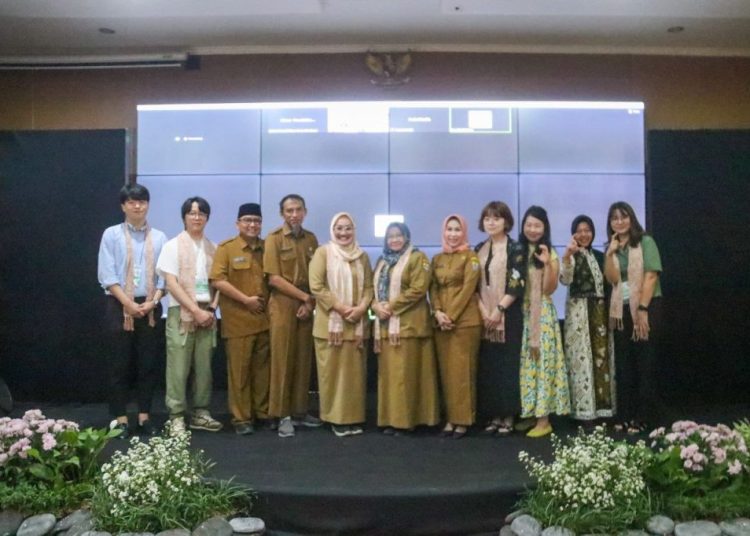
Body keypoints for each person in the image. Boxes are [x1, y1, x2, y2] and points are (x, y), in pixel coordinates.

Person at [97, 183, 167, 438]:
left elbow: (165, 277)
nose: (137, 206)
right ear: (123, 206)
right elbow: (107, 274)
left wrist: (153, 301)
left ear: (148, 205)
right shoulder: (111, 234)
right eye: (132, 202)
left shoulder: (159, 237)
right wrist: (128, 303)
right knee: (119, 366)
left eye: (142, 201)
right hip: (119, 306)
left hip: (149, 307)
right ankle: (120, 419)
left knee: (147, 365)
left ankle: (145, 417)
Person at [156, 196, 222, 433]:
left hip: (208, 313)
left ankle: (201, 412)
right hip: (181, 312)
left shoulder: (214, 248)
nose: (197, 217)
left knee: (204, 367)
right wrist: (194, 310)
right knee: (178, 367)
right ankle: (176, 416)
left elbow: (219, 283)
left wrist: (211, 309)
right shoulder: (172, 246)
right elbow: (171, 284)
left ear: (207, 218)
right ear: (184, 217)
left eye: (201, 213)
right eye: (192, 213)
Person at [309, 213, 373, 437]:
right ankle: (335, 419)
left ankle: (354, 418)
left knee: (354, 378)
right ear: (332, 230)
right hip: (330, 326)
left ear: (354, 230)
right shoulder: (323, 252)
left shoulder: (362, 256)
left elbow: (369, 287)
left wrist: (361, 308)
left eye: (348, 228)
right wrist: (342, 308)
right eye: (339, 228)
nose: (343, 233)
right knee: (333, 376)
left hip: (356, 326)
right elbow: (316, 286)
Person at [372, 222, 439, 436]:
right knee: (391, 378)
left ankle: (407, 422)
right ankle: (391, 420)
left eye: (398, 235)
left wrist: (390, 306)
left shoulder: (417, 258)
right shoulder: (382, 261)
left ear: (407, 237)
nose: (394, 240)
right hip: (385, 327)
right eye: (390, 236)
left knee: (407, 377)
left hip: (410, 326)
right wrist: (375, 306)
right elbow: (372, 290)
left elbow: (418, 289)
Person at [263, 194, 322, 437]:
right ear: (282, 214)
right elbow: (273, 278)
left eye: (298, 210)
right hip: (283, 304)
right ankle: (281, 414)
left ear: (305, 212)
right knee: (282, 361)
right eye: (289, 210)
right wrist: (304, 298)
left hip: (306, 305)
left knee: (302, 360)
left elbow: (318, 276)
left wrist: (309, 302)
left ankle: (300, 411)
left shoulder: (311, 239)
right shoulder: (274, 239)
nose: (294, 214)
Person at [210, 203, 270, 435]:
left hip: (264, 321)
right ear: (238, 223)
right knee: (240, 373)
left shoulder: (267, 248)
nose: (252, 224)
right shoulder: (227, 248)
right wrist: (246, 300)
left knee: (263, 373)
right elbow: (217, 280)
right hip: (238, 321)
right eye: (247, 220)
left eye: (256, 220)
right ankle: (241, 418)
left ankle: (262, 413)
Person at [603, 201, 663, 433]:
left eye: (623, 216)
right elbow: (612, 279)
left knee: (644, 364)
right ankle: (625, 415)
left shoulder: (645, 241)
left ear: (631, 218)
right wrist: (610, 253)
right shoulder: (614, 245)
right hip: (621, 310)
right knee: (624, 365)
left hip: (646, 308)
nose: (619, 221)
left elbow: (651, 276)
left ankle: (643, 416)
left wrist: (643, 309)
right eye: (614, 218)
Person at [474, 201, 526, 436]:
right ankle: (494, 414)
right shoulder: (478, 248)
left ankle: (508, 415)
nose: (491, 222)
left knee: (508, 367)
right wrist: (485, 312)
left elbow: (517, 283)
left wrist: (498, 310)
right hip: (484, 317)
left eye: (496, 218)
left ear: (506, 221)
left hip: (509, 316)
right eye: (487, 218)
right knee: (490, 367)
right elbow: (473, 285)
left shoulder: (516, 248)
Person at [518, 205, 570, 437]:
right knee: (527, 367)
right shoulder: (517, 250)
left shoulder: (550, 252)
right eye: (528, 224)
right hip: (521, 313)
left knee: (543, 364)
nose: (532, 229)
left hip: (543, 314)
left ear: (545, 228)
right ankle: (529, 412)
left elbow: (550, 289)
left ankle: (544, 420)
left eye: (537, 225)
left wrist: (548, 263)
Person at [430, 214, 482, 439]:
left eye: (457, 230)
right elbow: (432, 288)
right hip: (441, 324)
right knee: (446, 373)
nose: (453, 234)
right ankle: (450, 418)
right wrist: (438, 312)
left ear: (464, 232)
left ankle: (463, 420)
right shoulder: (437, 258)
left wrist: (450, 315)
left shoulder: (471, 258)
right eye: (449, 229)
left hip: (465, 323)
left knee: (463, 372)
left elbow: (468, 289)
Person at [560, 215, 615, 423]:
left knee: (602, 360)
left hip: (599, 313)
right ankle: (584, 412)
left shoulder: (601, 256)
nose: (584, 234)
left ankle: (604, 409)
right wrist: (567, 256)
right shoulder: (570, 257)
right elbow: (565, 280)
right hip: (578, 314)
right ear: (574, 233)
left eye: (588, 230)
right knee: (580, 359)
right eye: (579, 230)